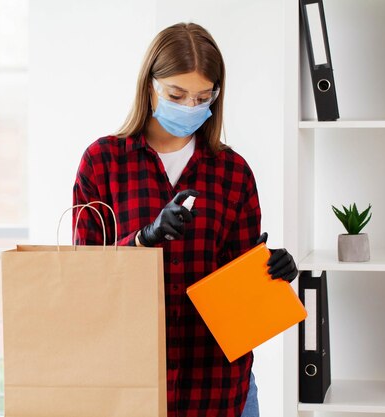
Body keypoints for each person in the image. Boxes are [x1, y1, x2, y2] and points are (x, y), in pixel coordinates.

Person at [72, 22, 298, 417]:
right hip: (130, 387)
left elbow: (239, 292)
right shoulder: (103, 162)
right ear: (150, 87)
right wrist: (143, 240)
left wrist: (270, 273)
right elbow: (82, 279)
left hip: (219, 388)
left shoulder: (233, 172)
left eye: (202, 97)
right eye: (177, 95)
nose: (190, 108)